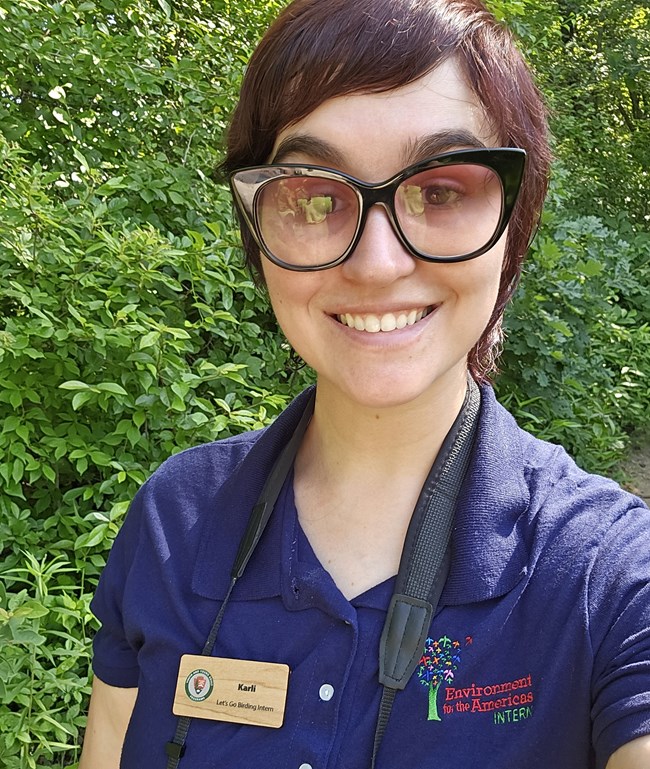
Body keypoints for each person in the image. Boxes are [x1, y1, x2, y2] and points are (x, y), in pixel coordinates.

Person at [78, 0, 650, 767]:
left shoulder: (607, 576)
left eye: (442, 189)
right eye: (314, 194)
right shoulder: (174, 518)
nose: (377, 264)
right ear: (258, 231)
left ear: (514, 222)